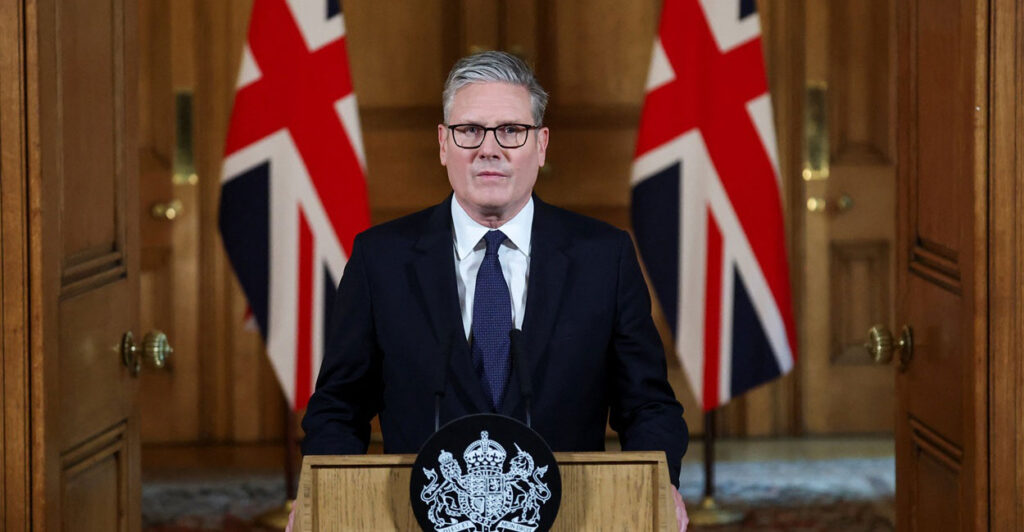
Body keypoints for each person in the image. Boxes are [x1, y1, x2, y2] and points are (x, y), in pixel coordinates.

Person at [300, 51, 689, 525]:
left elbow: (647, 405)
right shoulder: (380, 259)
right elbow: (338, 407)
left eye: (511, 130)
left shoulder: (604, 258)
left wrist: (657, 482)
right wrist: (322, 491)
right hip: (415, 516)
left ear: (541, 145)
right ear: (443, 143)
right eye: (469, 131)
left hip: (572, 514)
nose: (489, 149)